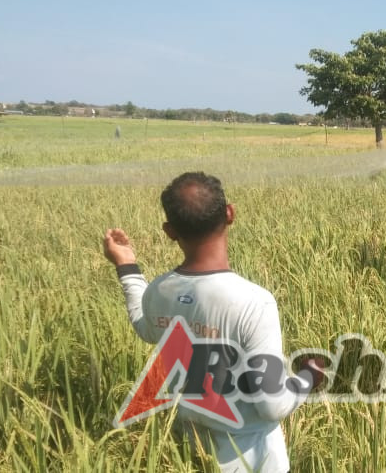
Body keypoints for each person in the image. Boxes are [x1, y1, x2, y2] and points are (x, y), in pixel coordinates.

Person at [102, 171, 320, 473]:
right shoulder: (253, 302)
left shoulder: (160, 290)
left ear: (170, 231)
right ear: (230, 213)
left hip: (189, 452)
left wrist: (126, 265)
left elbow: (144, 324)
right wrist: (309, 377)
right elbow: (273, 406)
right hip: (254, 460)